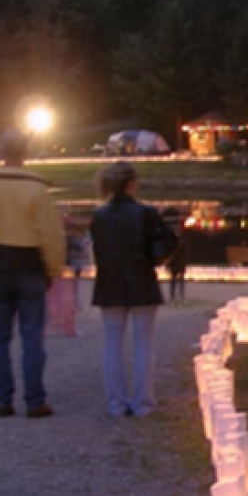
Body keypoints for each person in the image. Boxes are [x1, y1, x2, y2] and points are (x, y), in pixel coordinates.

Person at [0, 128, 65, 418]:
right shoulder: (37, 190)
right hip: (30, 265)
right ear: (25, 153)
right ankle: (35, 400)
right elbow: (52, 236)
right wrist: (53, 268)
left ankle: (2, 400)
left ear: (0, 152)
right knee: (32, 336)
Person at [88, 161, 167, 417]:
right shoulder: (145, 213)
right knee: (144, 343)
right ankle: (143, 402)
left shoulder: (99, 216)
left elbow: (98, 249)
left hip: (110, 281)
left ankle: (116, 403)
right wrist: (155, 259)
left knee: (113, 344)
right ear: (131, 183)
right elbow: (169, 239)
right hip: (141, 279)